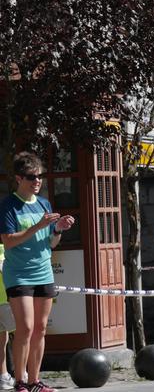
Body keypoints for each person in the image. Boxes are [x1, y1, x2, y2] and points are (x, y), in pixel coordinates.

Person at [0, 152, 75, 392]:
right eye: (31, 177)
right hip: (18, 273)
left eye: (40, 176)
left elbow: (51, 243)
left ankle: (34, 381)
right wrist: (38, 225)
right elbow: (8, 241)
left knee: (41, 329)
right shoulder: (9, 205)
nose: (37, 181)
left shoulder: (44, 204)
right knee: (25, 328)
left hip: (44, 271)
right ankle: (19, 381)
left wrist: (58, 229)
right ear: (18, 178)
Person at [0, 244, 16, 390]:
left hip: (6, 300)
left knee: (3, 339)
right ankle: (23, 374)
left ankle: (4, 376)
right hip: (7, 300)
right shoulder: (6, 249)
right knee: (20, 337)